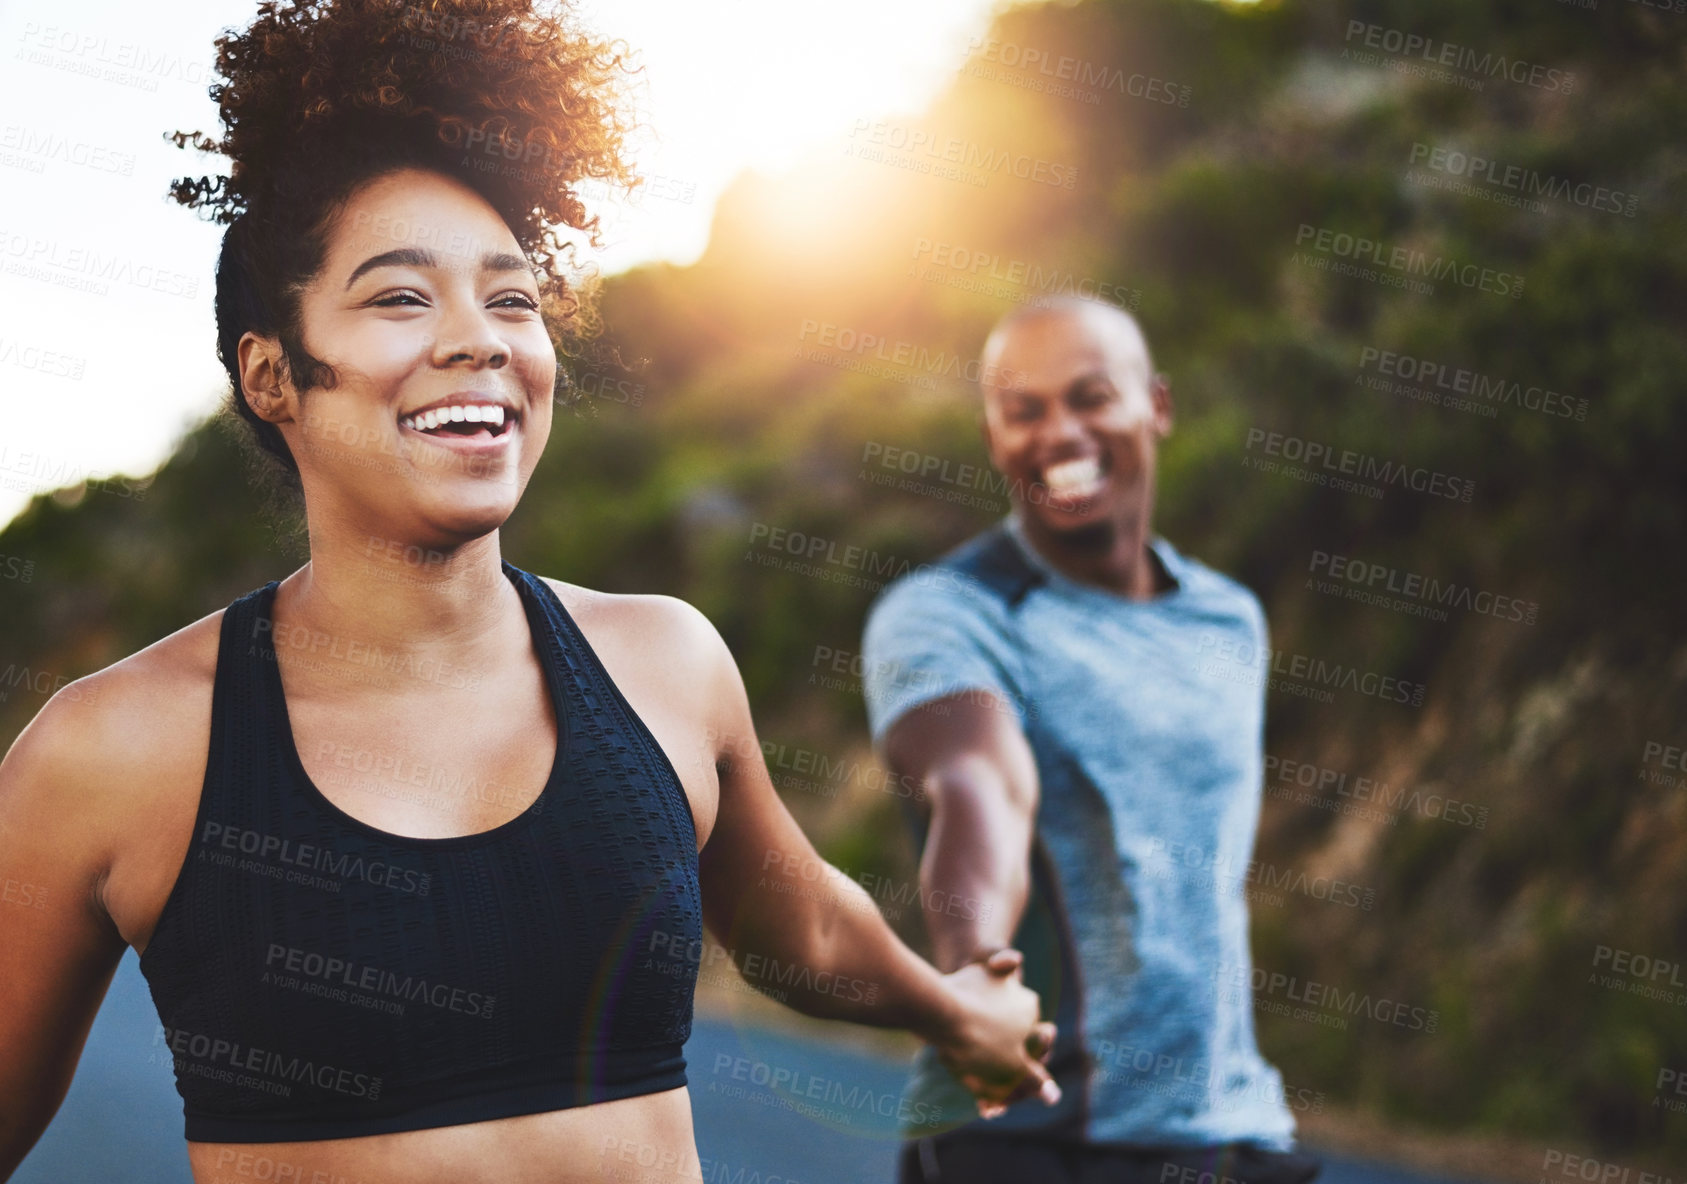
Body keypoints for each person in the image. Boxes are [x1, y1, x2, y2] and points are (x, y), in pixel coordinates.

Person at [0, 4, 1060, 1182]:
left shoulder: (666, 663)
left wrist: (957, 1012)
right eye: (401, 297)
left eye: (512, 299)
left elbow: (795, 921)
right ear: (271, 373)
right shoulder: (112, 749)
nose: (481, 340)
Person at [861, 297, 1325, 1184]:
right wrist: (977, 976)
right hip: (1026, 1131)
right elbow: (978, 785)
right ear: (993, 436)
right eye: (1022, 411)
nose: (1058, 433)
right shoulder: (944, 612)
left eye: (1089, 397)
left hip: (1229, 1129)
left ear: (1155, 404)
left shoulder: (1229, 618)